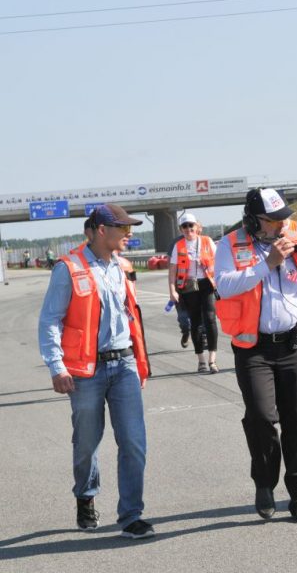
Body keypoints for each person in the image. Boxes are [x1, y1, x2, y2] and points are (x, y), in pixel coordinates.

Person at [215, 188, 297, 522]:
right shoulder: (228, 245)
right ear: (253, 219)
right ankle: (264, 483)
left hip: (296, 343)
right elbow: (225, 285)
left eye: (283, 218)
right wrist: (267, 263)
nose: (281, 224)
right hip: (254, 347)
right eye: (273, 220)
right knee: (261, 416)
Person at [37, 203, 155, 539]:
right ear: (102, 230)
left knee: (134, 442)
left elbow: (129, 316)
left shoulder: (122, 265)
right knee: (87, 442)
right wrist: (56, 366)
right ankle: (85, 495)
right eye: (123, 228)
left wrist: (140, 361)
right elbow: (50, 320)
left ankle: (131, 515)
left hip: (125, 365)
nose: (129, 234)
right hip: (86, 372)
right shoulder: (68, 268)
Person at [168, 212, 219, 373]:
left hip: (207, 284)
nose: (188, 229)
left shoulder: (207, 241)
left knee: (210, 319)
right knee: (195, 322)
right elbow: (172, 271)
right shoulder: (179, 246)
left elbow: (219, 262)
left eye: (191, 225)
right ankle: (201, 360)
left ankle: (212, 360)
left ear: (197, 227)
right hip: (189, 287)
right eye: (185, 226)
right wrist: (172, 291)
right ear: (181, 229)